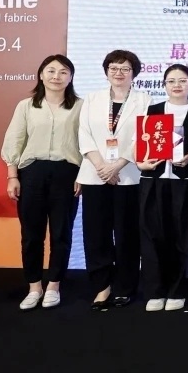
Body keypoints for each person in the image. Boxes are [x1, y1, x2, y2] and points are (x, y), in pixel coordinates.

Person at [1, 54, 83, 310]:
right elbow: (14, 141)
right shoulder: (26, 106)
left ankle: (54, 285)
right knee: (31, 235)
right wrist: (12, 176)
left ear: (71, 77)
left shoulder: (81, 106)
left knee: (61, 233)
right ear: (41, 74)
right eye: (51, 71)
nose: (57, 76)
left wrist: (82, 176)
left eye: (63, 72)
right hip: (32, 173)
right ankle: (34, 287)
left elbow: (87, 143)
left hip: (67, 173)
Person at [77, 50, 150, 310]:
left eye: (125, 68)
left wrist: (117, 165)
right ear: (106, 71)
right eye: (114, 68)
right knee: (96, 233)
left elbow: (142, 137)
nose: (119, 73)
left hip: (128, 175)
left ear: (134, 73)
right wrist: (102, 167)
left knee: (127, 234)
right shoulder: (92, 98)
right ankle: (102, 287)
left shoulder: (144, 100)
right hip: (95, 175)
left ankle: (125, 287)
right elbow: (84, 134)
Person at [135, 64, 188, 312]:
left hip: (186, 182)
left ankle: (179, 290)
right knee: (153, 235)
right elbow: (138, 143)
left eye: (183, 80)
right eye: (171, 81)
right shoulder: (152, 111)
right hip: (154, 180)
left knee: (183, 237)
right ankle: (155, 290)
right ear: (164, 85)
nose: (177, 85)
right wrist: (141, 162)